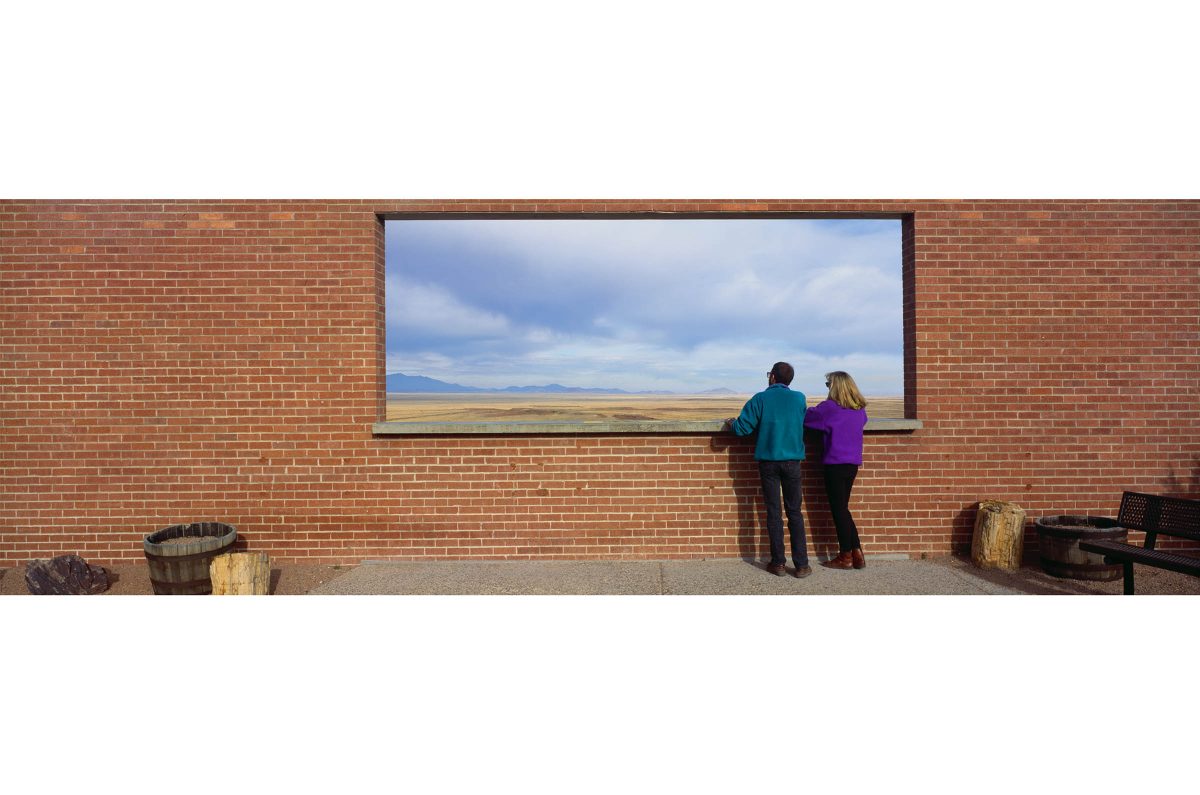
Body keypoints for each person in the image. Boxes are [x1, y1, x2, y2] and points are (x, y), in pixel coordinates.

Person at [725, 362, 811, 577]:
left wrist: (730, 423)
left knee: (773, 512)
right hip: (793, 462)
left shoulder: (760, 399)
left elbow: (742, 429)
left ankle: (778, 563)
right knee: (795, 512)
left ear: (772, 377)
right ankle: (801, 565)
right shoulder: (799, 398)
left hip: (769, 463)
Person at [803, 371, 868, 569]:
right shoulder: (859, 410)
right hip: (852, 464)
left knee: (838, 510)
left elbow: (806, 418)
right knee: (843, 509)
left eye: (827, 384)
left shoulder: (828, 408)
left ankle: (845, 556)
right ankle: (857, 553)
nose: (827, 387)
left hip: (835, 464)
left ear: (835, 386)